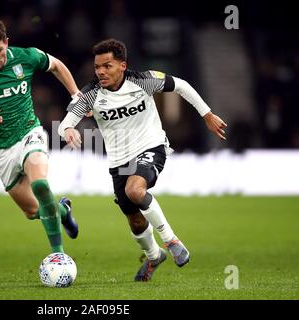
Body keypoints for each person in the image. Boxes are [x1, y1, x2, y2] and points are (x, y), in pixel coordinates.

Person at [58, 39, 227, 281]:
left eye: (107, 66)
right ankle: (154, 255)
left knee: (135, 190)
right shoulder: (90, 94)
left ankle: (171, 241)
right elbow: (64, 124)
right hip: (119, 162)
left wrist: (207, 114)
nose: (101, 72)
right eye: (98, 67)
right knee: (135, 221)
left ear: (123, 65)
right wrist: (68, 131)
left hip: (151, 147)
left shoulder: (143, 81)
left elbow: (182, 85)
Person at [0, 19, 80, 254]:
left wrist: (75, 94)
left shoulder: (25, 56)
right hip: (0, 149)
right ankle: (63, 212)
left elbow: (57, 65)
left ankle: (58, 255)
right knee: (32, 211)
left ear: (6, 43)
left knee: (40, 184)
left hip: (29, 132)